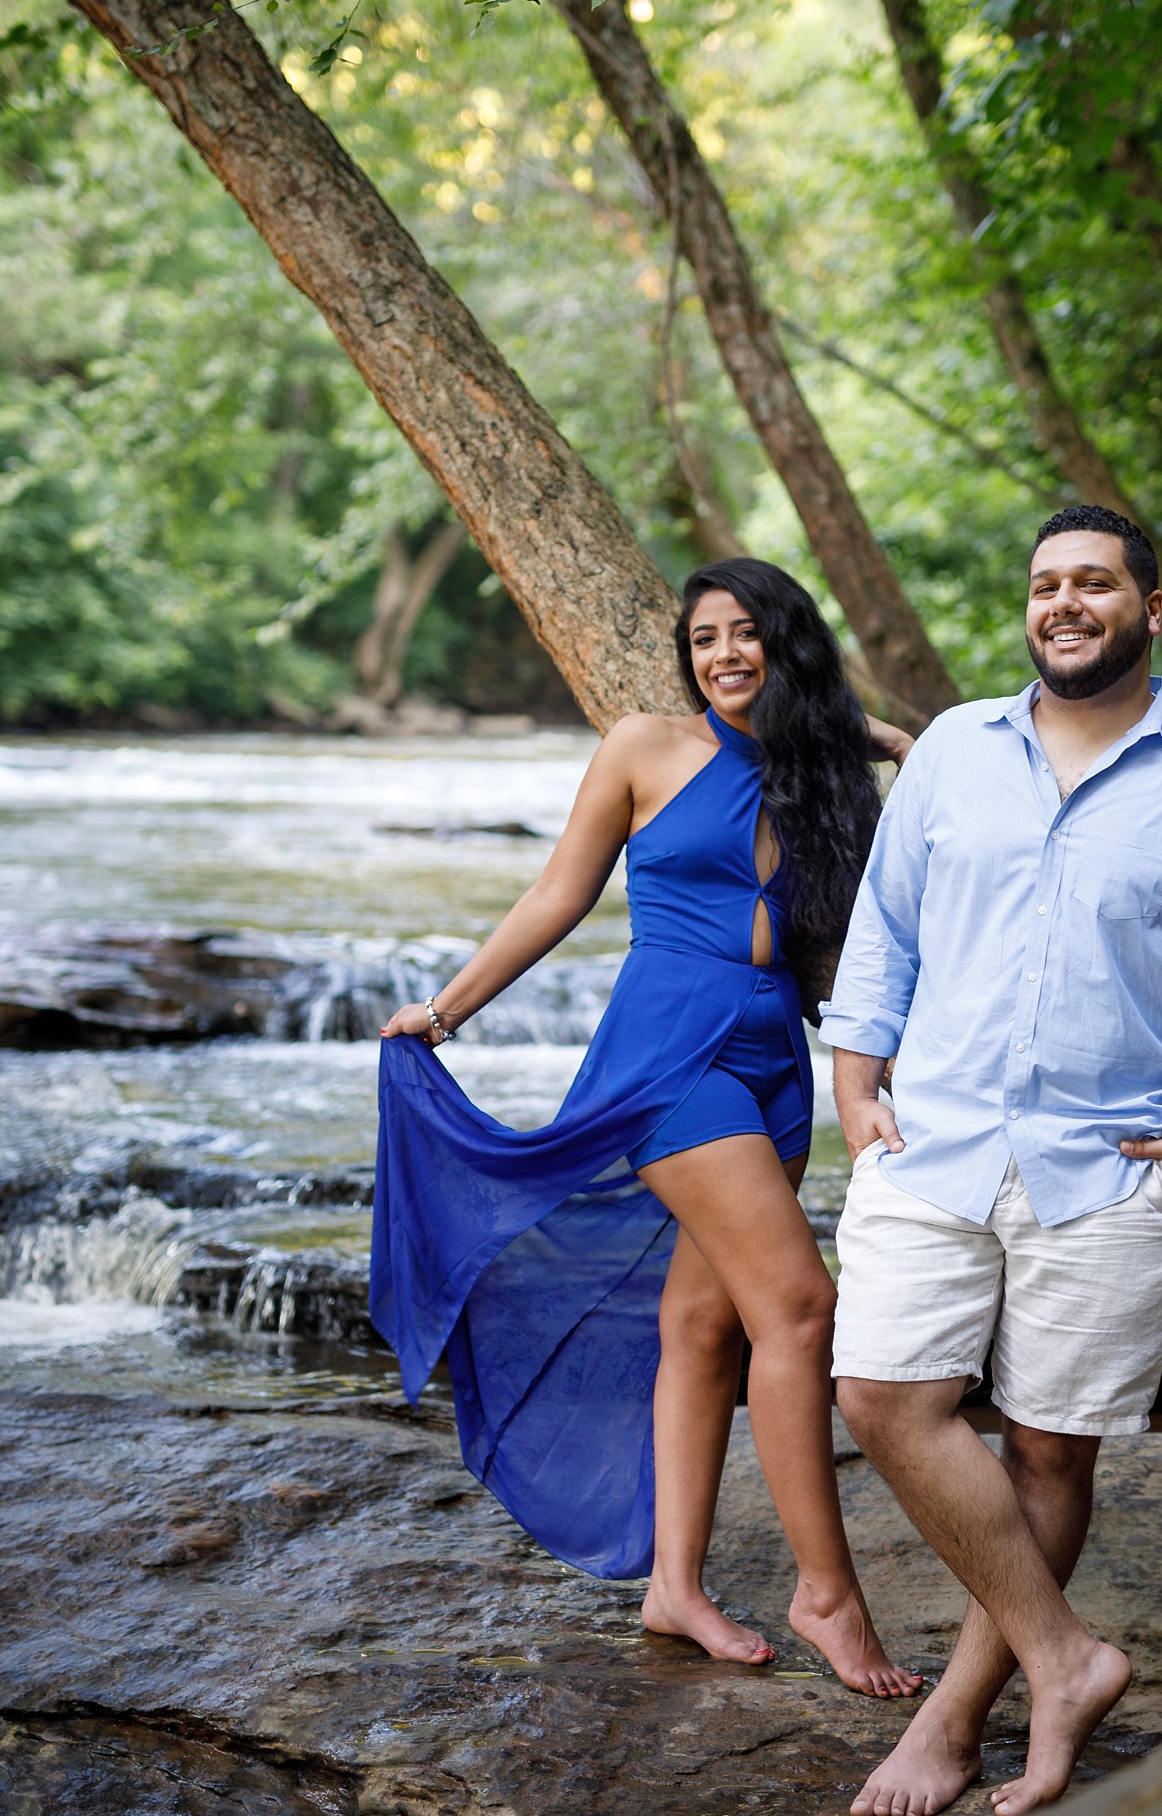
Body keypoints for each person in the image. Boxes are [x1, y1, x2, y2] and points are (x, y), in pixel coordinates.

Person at [821, 504, 1162, 1816]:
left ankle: (961, 1714)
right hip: (931, 1142)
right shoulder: (950, 759)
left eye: (1095, 582)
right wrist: (852, 1085)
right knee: (880, 1395)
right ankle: (1066, 1656)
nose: (1066, 601)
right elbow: (886, 931)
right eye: (1046, 583)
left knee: (1052, 1453)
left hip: (1116, 1167)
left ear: (1151, 610)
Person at [372, 558, 922, 1697]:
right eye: (705, 638)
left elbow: (911, 759)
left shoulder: (812, 770)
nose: (724, 655)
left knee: (702, 1327)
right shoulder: (642, 748)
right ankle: (826, 1592)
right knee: (802, 1308)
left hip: (776, 1056)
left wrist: (863, 730)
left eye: (747, 634)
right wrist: (442, 1011)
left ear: (789, 644)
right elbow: (555, 896)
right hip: (672, 1055)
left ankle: (674, 1587)